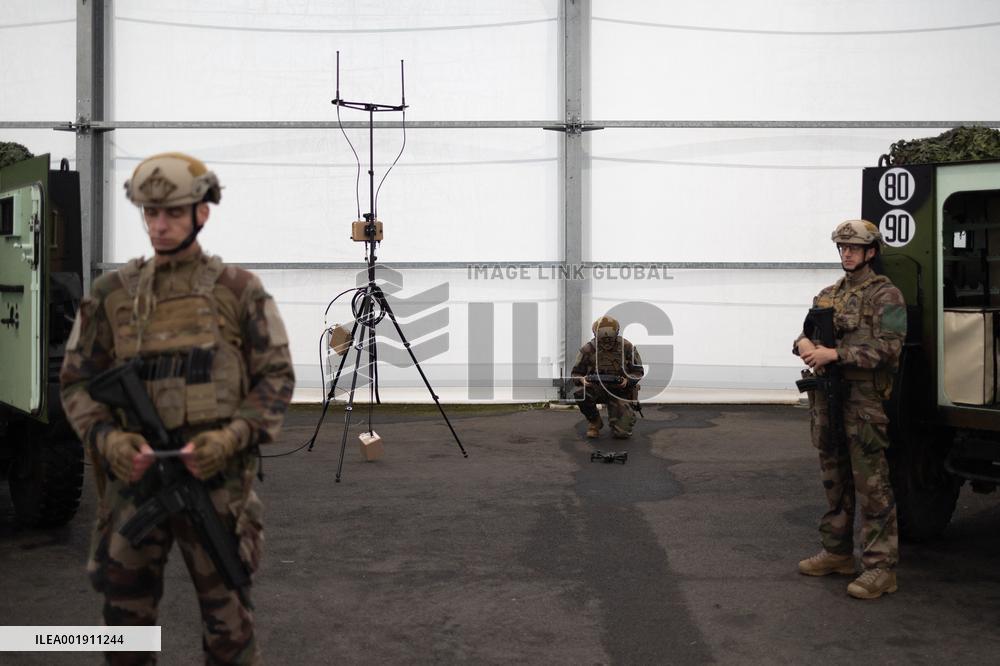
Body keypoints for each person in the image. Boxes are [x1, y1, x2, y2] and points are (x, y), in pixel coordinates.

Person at [60, 152, 295, 663]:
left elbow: (276, 379)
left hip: (216, 486)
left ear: (201, 212)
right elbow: (76, 382)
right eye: (150, 213)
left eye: (172, 213)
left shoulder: (239, 291)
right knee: (124, 630)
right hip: (134, 485)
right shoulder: (110, 294)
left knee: (230, 631)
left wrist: (229, 440)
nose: (159, 225)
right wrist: (110, 442)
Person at [794, 219, 906, 600]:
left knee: (872, 484)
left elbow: (889, 349)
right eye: (843, 247)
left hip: (863, 402)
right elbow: (806, 333)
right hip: (828, 397)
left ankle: (880, 568)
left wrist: (835, 354)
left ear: (871, 252)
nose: (847, 253)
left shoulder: (886, 295)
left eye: (854, 247)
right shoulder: (828, 294)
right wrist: (804, 345)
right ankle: (837, 552)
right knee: (834, 478)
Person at [570, 315, 644, 439]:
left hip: (620, 391)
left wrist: (627, 381)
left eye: (610, 339)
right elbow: (575, 373)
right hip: (597, 388)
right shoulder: (588, 349)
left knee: (622, 434)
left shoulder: (627, 347)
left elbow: (638, 371)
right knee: (581, 394)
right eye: (603, 340)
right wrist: (582, 380)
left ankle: (619, 419)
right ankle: (595, 422)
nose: (607, 343)